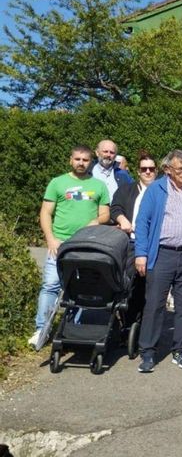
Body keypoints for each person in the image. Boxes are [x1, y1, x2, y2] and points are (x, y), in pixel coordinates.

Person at [134, 149, 182, 373]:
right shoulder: (155, 190)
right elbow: (142, 223)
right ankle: (147, 352)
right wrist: (141, 253)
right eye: (180, 169)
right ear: (168, 169)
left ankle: (181, 349)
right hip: (162, 253)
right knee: (155, 304)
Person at [29, 145, 110, 348]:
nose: (81, 163)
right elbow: (45, 212)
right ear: (70, 160)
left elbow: (105, 214)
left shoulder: (99, 186)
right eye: (77, 159)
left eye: (85, 160)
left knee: (82, 288)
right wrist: (50, 239)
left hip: (87, 245)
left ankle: (74, 328)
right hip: (60, 244)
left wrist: (96, 221)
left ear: (91, 161)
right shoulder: (58, 183)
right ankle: (42, 329)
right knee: (50, 286)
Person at [109, 151, 157, 326]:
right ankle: (127, 326)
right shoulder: (127, 189)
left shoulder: (162, 192)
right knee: (130, 286)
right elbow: (115, 208)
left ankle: (147, 327)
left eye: (151, 168)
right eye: (144, 169)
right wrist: (122, 219)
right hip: (131, 243)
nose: (148, 172)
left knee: (151, 289)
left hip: (154, 245)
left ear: (156, 170)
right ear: (138, 171)